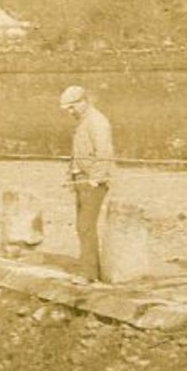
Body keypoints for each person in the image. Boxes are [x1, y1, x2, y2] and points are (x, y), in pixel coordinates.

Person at [59, 85, 114, 284]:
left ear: (84, 102)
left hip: (92, 181)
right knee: (83, 226)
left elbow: (104, 153)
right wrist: (71, 175)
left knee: (85, 226)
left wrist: (94, 179)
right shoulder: (83, 120)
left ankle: (89, 274)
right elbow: (79, 152)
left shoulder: (97, 122)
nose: (71, 112)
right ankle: (90, 269)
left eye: (72, 107)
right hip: (81, 179)